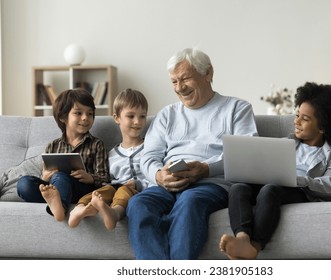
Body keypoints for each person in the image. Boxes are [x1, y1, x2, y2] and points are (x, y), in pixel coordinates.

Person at [126, 48, 258, 260]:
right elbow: (148, 157)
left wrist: (206, 169)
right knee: (138, 203)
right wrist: (159, 176)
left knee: (190, 199)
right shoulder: (167, 115)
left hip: (211, 185)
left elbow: (247, 154)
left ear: (207, 73)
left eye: (185, 78)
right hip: (167, 185)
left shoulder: (236, 108)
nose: (180, 88)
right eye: (174, 82)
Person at [219, 82, 331, 259]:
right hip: (268, 182)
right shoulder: (283, 144)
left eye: (305, 119)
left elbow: (329, 186)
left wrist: (300, 179)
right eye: (297, 115)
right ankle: (242, 238)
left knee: (270, 189)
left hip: (298, 191)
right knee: (238, 188)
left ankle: (256, 245)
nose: (296, 121)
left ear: (323, 127)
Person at [17, 88, 110, 222]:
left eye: (90, 114)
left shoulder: (96, 144)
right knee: (23, 183)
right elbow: (45, 178)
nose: (85, 118)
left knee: (61, 176)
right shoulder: (53, 146)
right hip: (55, 187)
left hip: (81, 191)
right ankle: (55, 201)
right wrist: (45, 177)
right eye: (78, 113)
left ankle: (60, 208)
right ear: (62, 117)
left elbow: (105, 179)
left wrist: (90, 178)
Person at [68, 89, 149, 230]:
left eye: (142, 116)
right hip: (114, 189)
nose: (137, 122)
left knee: (123, 191)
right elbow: (106, 180)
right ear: (117, 118)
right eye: (131, 116)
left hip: (137, 192)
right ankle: (80, 209)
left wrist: (138, 184)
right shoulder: (111, 155)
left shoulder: (150, 149)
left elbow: (157, 178)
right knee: (99, 193)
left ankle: (114, 214)